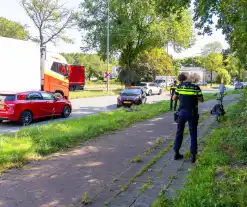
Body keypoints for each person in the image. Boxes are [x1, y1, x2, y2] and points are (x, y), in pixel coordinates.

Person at [172, 73, 204, 163]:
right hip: (192, 113)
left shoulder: (179, 87)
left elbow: (174, 98)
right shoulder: (196, 87)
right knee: (193, 133)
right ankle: (193, 154)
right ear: (191, 79)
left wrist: (181, 97)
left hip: (181, 113)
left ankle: (176, 153)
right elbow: (202, 100)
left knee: (179, 132)